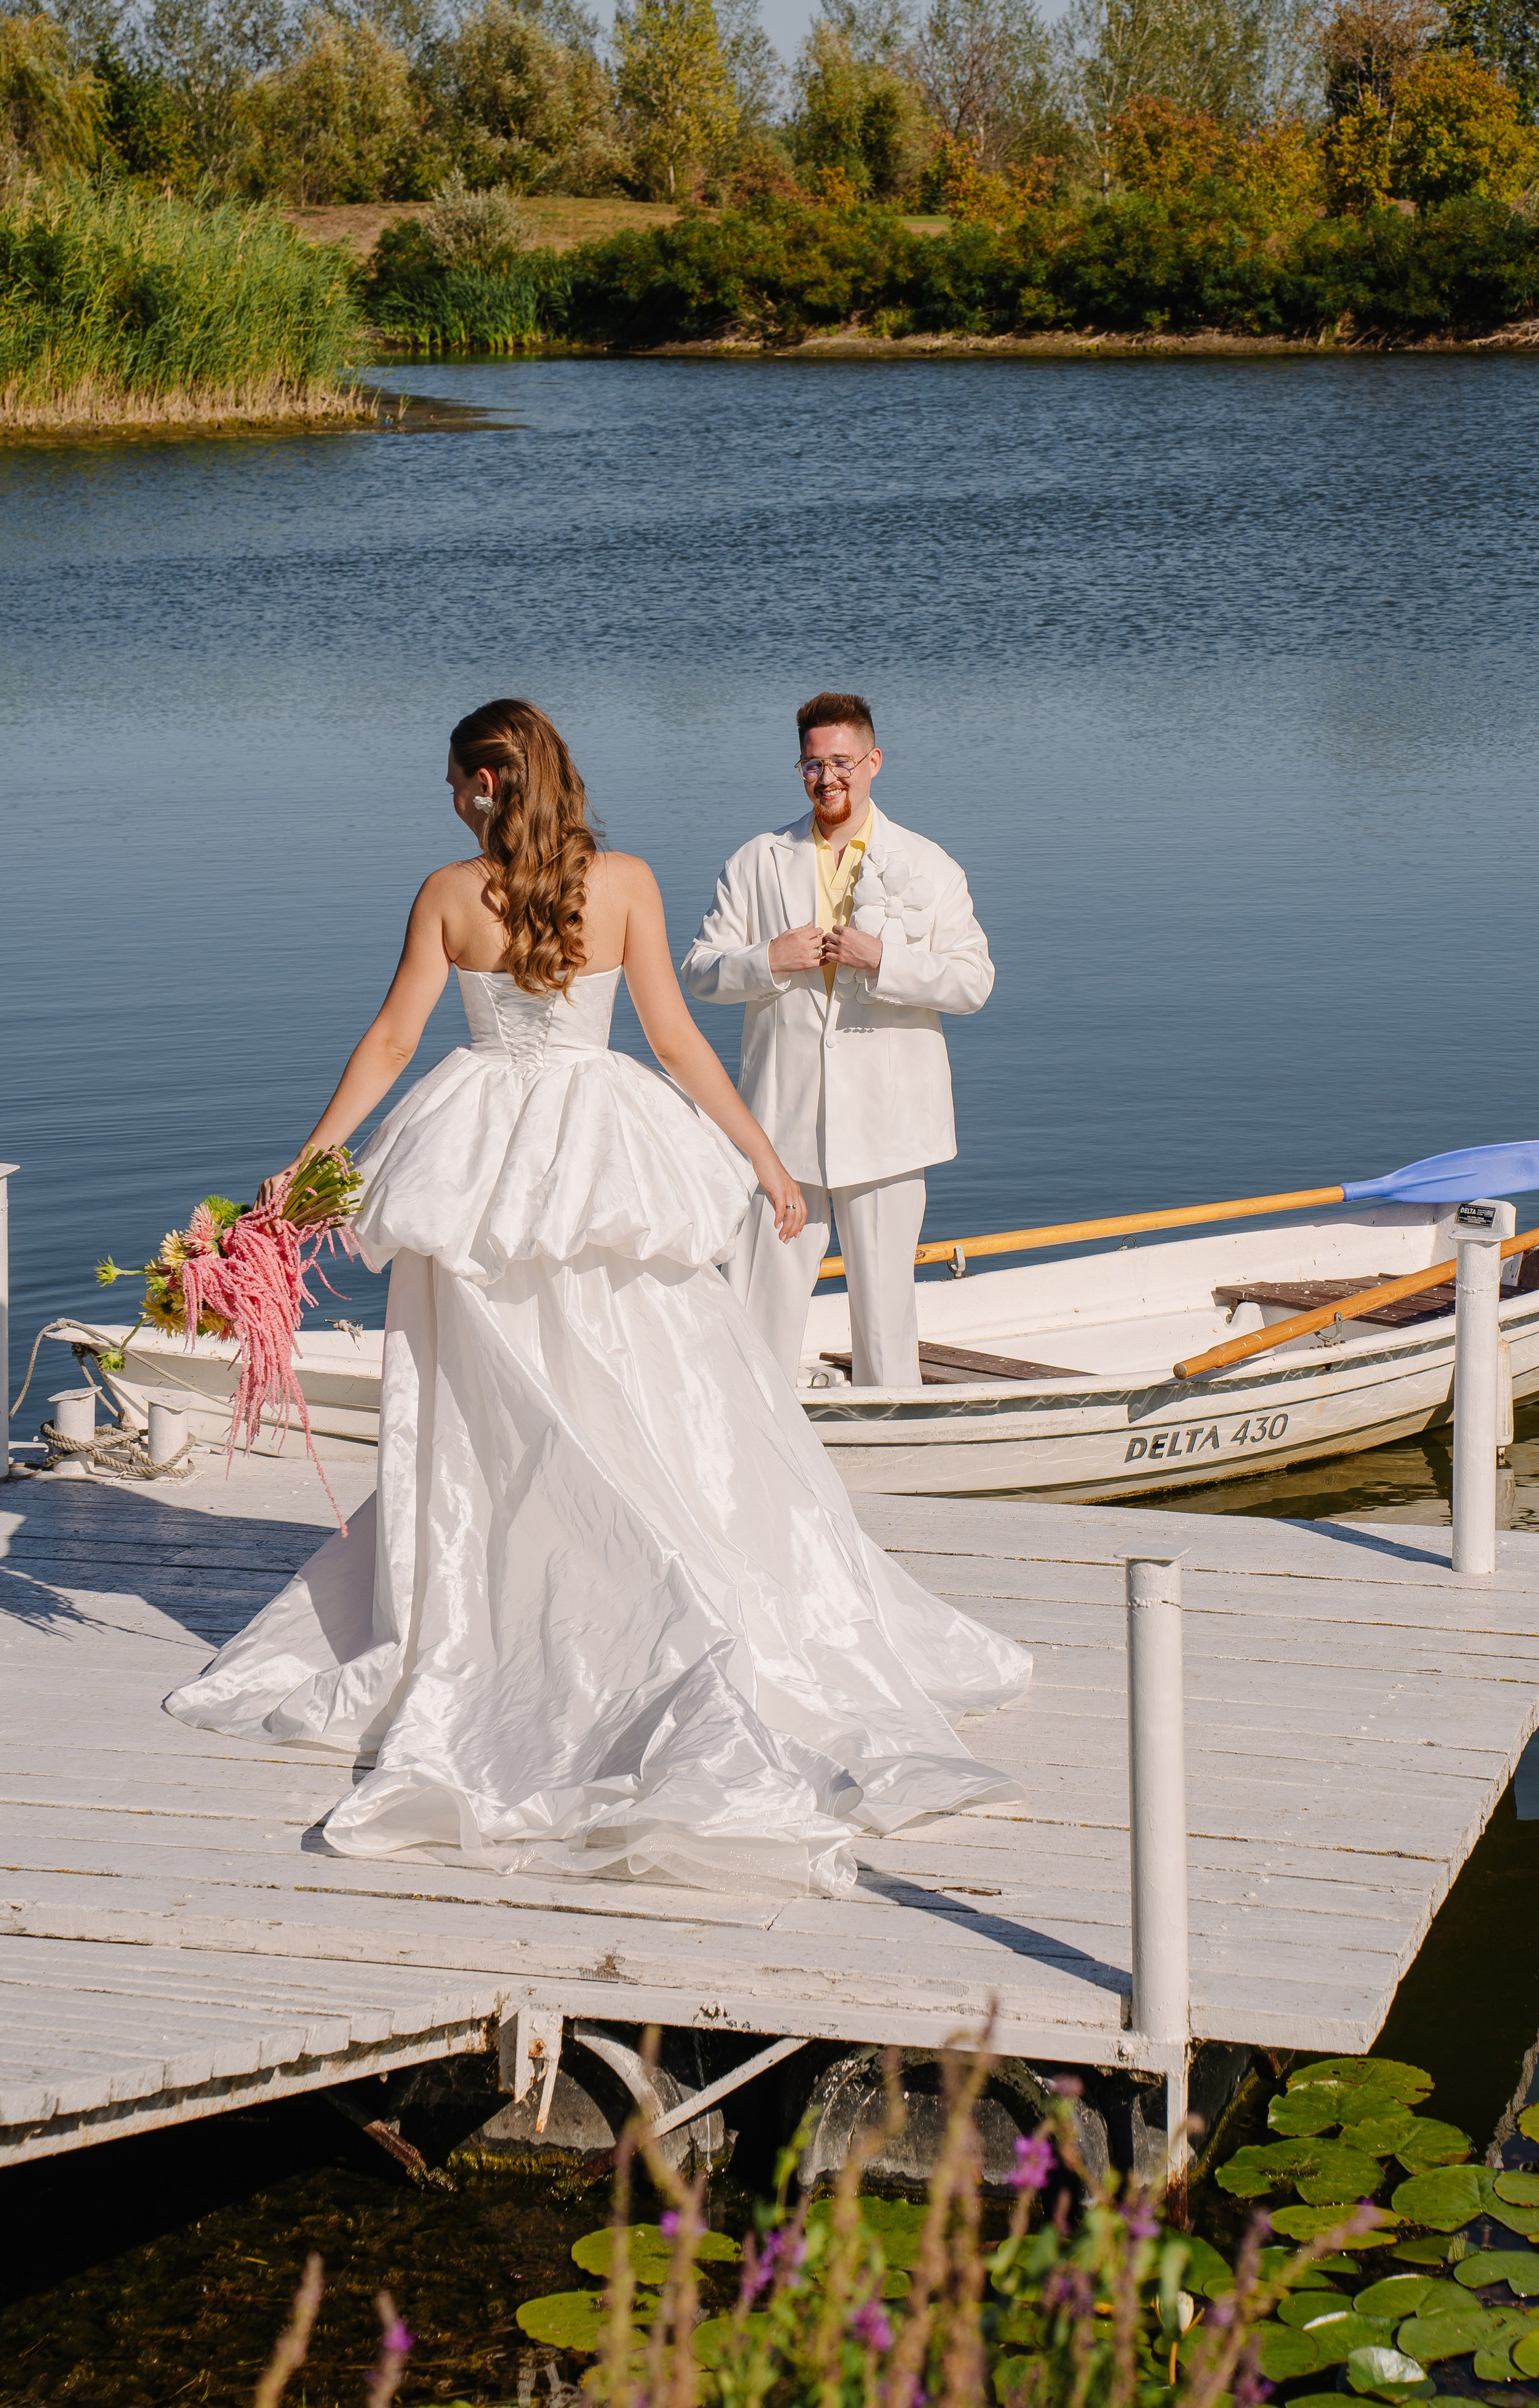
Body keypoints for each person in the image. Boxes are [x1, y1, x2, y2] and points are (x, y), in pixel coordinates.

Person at [165, 699, 1029, 1897]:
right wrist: (765, 1163)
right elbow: (675, 1043)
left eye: (457, 784)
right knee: (638, 1375)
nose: (454, 803)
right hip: (601, 1140)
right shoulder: (621, 882)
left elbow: (391, 1041)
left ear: (482, 783)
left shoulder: (447, 894)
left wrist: (306, 1170)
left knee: (491, 1401)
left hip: (476, 1155)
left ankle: (530, 1591)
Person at [681, 693, 993, 1389]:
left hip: (888, 1131)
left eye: (842, 763)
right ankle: (751, 1443)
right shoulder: (757, 861)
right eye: (813, 765)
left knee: (885, 1323)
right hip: (780, 1132)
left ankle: (896, 1456)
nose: (828, 780)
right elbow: (699, 973)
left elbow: (973, 983)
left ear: (873, 762)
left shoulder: (929, 865)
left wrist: (884, 960)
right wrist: (769, 959)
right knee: (756, 1310)